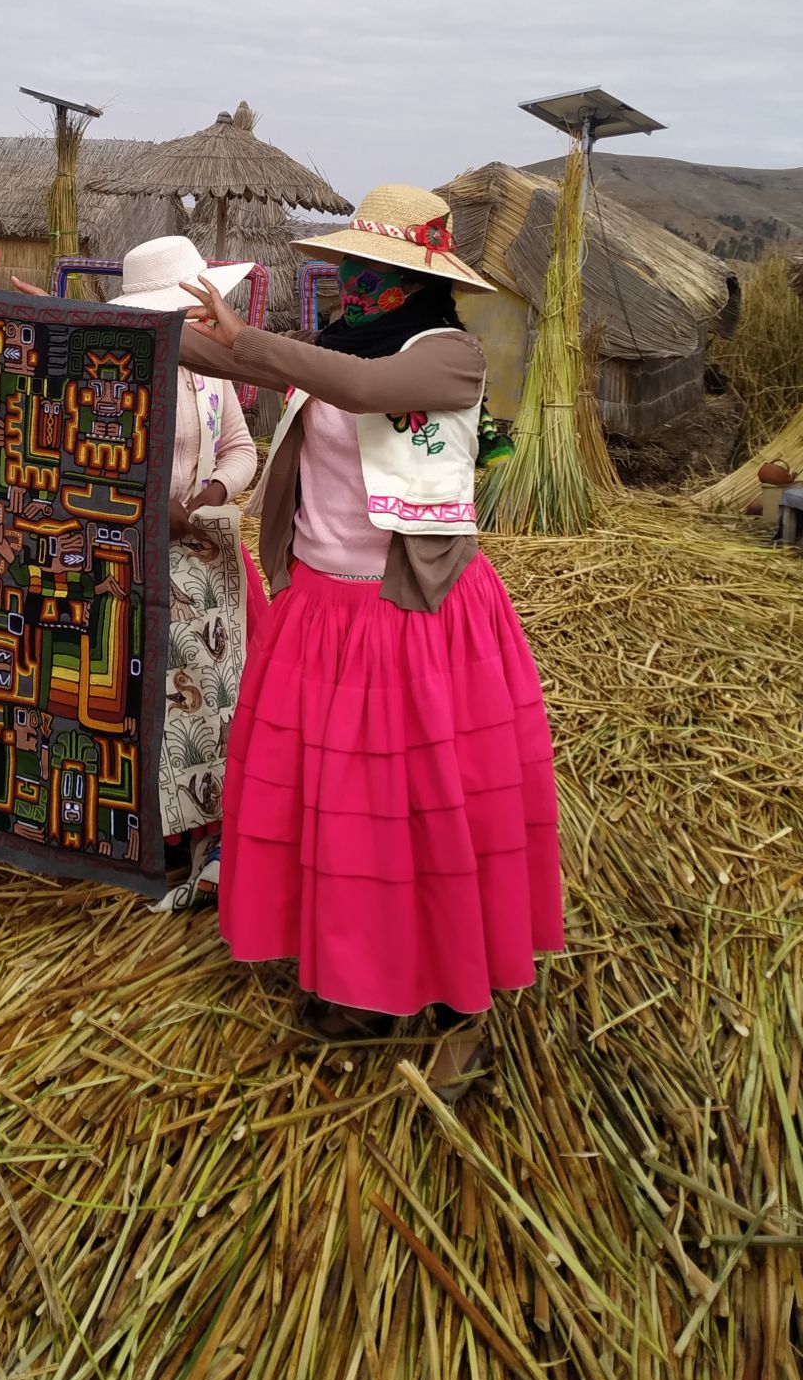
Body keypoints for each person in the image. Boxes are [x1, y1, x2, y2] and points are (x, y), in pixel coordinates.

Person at [178, 183, 563, 1094]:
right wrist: (109, 330)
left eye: (372, 270)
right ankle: (358, 980)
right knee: (341, 808)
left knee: (424, 808)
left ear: (418, 280)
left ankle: (459, 1002)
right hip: (322, 614)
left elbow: (358, 390)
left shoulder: (449, 357)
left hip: (412, 620)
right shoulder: (336, 346)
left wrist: (248, 342)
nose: (355, 283)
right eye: (350, 266)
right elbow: (220, 355)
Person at [112, 237, 259, 910]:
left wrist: (213, 494)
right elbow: (90, 459)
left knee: (212, 695)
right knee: (140, 694)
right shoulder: (116, 369)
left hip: (200, 553)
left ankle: (206, 826)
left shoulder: (209, 371)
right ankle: (153, 832)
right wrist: (150, 503)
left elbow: (240, 447)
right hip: (126, 553)